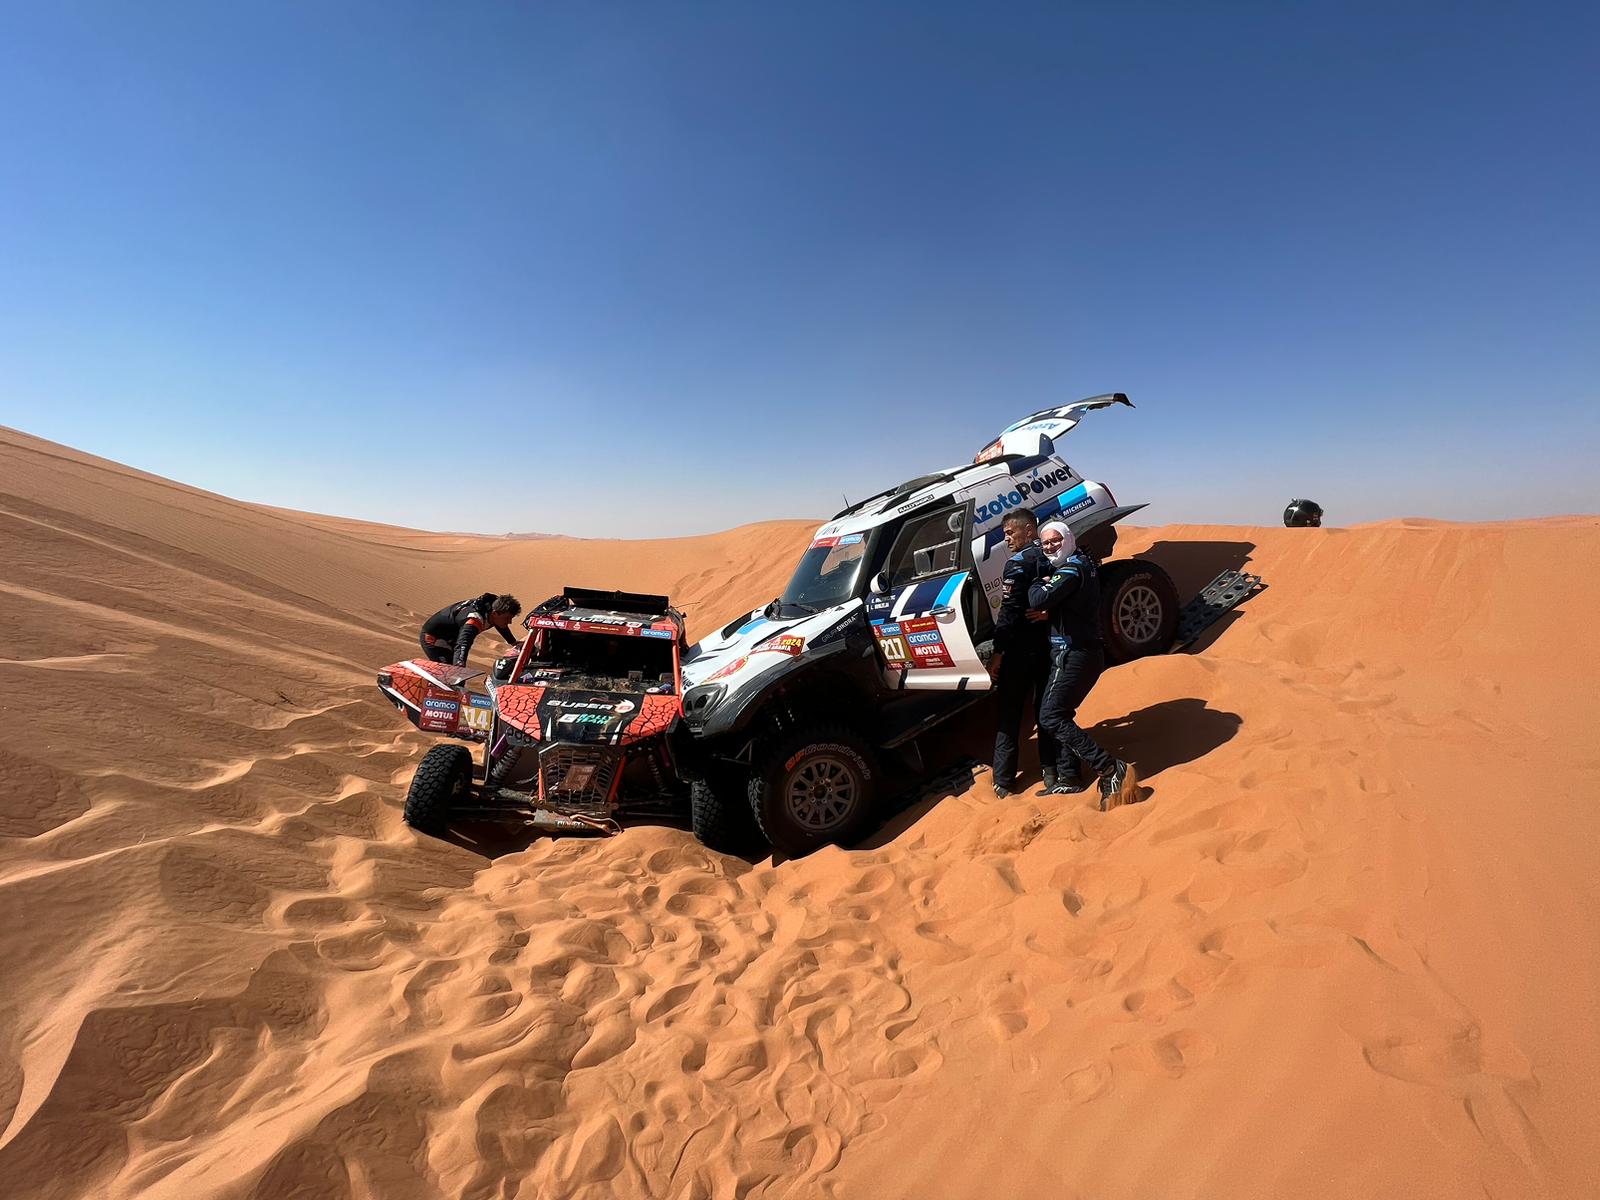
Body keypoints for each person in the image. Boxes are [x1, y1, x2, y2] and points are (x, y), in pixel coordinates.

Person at [1028, 522, 1139, 810]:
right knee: (1059, 712)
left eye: (1055, 541)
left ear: (1068, 539)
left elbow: (1038, 598)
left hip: (1075, 653)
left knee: (1051, 715)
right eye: (1045, 543)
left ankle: (1110, 768)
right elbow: (1067, 603)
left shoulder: (1071, 569)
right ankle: (1069, 776)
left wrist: (1038, 579)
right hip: (1078, 651)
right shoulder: (1078, 565)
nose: (1050, 547)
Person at [987, 510, 1060, 798]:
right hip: (1049, 647)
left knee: (1009, 714)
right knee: (1046, 711)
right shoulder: (1056, 557)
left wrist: (998, 653)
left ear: (1029, 530)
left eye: (1010, 533)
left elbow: (1008, 613)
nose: (1007, 540)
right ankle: (1051, 772)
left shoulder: (1018, 563)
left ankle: (1003, 780)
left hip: (1019, 652)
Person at [419, 593, 522, 667]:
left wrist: (512, 642)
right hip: (434, 638)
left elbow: (501, 625)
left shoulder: (493, 609)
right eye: (507, 618)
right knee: (448, 671)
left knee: (452, 673)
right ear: (495, 613)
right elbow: (463, 645)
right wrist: (459, 666)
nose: (510, 622)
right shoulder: (474, 621)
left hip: (451, 638)